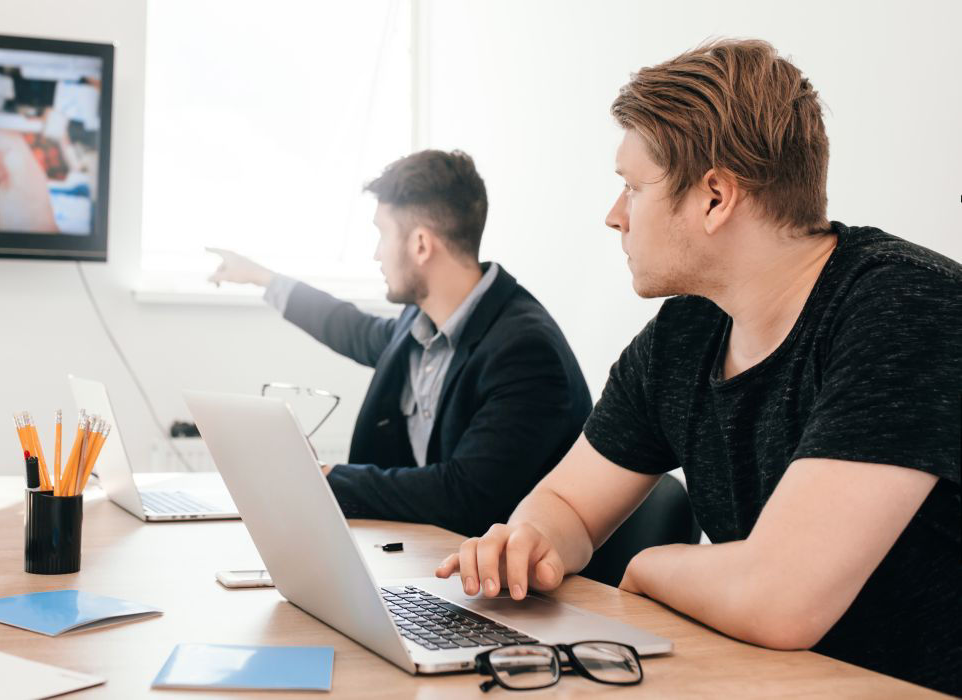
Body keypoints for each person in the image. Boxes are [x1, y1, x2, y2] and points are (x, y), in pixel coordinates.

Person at [434, 39, 961, 694]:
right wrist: (531, 541)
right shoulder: (687, 332)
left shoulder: (906, 309)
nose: (614, 215)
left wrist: (651, 566)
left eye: (632, 187)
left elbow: (780, 598)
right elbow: (568, 501)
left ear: (715, 197)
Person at [208, 150, 592, 537]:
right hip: (432, 555)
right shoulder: (421, 321)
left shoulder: (524, 352)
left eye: (382, 233)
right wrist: (261, 278)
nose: (376, 254)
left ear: (421, 245)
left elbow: (466, 496)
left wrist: (325, 478)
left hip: (516, 587)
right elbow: (352, 329)